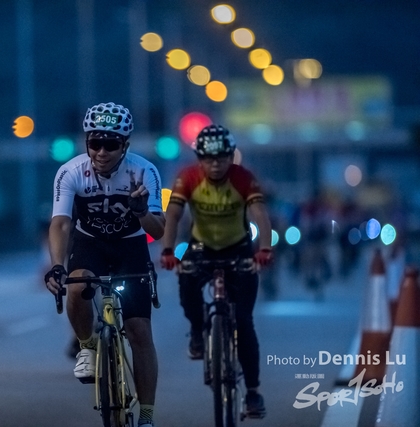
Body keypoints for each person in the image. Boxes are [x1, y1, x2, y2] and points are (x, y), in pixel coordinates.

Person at [44, 102, 165, 427]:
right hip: (90, 244)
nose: (101, 152)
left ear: (125, 145)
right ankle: (87, 346)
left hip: (130, 247)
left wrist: (141, 211)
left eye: (110, 144)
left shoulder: (145, 171)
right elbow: (61, 223)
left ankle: (147, 417)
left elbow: (158, 230)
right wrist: (57, 265)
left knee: (140, 332)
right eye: (94, 143)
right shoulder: (71, 172)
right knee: (77, 285)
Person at [159, 124, 272, 417]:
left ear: (230, 157)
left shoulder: (243, 177)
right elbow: (174, 214)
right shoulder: (187, 177)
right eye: (208, 159)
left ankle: (253, 392)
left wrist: (264, 249)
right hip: (202, 247)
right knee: (186, 283)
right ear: (199, 159)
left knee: (244, 322)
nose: (215, 164)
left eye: (221, 158)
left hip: (239, 248)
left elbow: (260, 214)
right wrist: (168, 250)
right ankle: (198, 332)